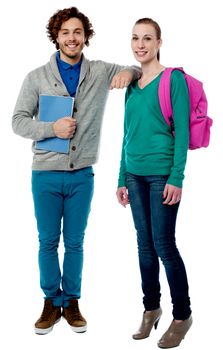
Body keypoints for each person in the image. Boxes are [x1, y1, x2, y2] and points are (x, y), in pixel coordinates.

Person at [12, 7, 140, 335]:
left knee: (75, 242)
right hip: (45, 173)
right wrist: (51, 127)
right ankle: (50, 301)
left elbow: (133, 69)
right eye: (66, 32)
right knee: (47, 241)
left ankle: (72, 302)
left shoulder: (98, 71)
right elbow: (18, 121)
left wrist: (129, 73)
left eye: (78, 32)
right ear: (56, 36)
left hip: (82, 174)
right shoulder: (36, 77)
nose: (72, 38)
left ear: (86, 36)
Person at [116, 18, 192, 348]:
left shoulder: (173, 79)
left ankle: (182, 316)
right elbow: (126, 134)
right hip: (134, 174)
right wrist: (121, 177)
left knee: (164, 245)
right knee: (143, 246)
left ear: (159, 42)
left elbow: (183, 134)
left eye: (147, 38)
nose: (140, 44)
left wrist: (176, 177)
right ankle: (151, 309)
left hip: (162, 175)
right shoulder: (131, 84)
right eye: (135, 38)